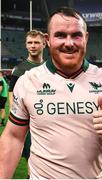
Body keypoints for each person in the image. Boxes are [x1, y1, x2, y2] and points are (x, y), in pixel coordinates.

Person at [0, 7, 102, 179]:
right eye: (60, 35)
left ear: (86, 38)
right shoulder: (28, 80)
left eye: (76, 35)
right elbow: (13, 137)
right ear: (48, 39)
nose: (69, 42)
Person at [8, 29, 46, 178]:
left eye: (36, 42)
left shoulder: (50, 68)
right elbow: (12, 95)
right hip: (29, 123)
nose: (33, 45)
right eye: (30, 42)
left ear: (44, 44)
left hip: (49, 121)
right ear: (25, 45)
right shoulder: (19, 69)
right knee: (32, 157)